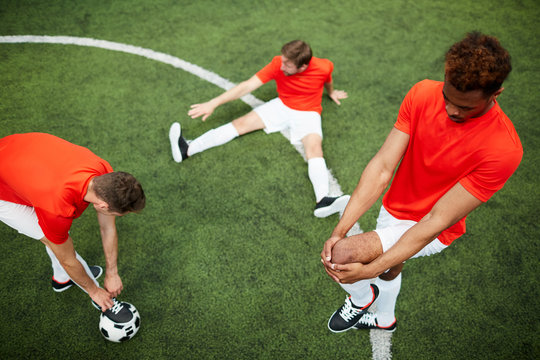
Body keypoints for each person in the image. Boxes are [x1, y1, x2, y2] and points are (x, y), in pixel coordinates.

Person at [321, 32, 522, 333]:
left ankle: (365, 296)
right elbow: (382, 167)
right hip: (396, 204)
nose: (452, 111)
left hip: (435, 227)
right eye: (448, 99)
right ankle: (385, 319)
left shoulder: (504, 150)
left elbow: (437, 219)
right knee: (390, 265)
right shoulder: (423, 93)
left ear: (497, 93)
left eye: (466, 108)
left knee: (343, 256)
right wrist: (340, 229)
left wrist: (367, 272)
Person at [169, 40, 350, 217]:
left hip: (308, 112)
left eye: (288, 64)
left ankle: (323, 200)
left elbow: (327, 79)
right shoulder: (277, 63)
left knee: (314, 147)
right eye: (283, 59)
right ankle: (187, 149)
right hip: (282, 106)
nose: (282, 66)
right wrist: (213, 103)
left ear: (302, 67)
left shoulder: (324, 66)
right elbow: (247, 85)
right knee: (240, 124)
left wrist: (331, 92)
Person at [0, 132, 146, 312]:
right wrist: (94, 291)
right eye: (119, 214)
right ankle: (79, 282)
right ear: (102, 205)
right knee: (55, 241)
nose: (117, 217)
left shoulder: (105, 174)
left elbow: (107, 228)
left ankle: (62, 279)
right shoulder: (56, 209)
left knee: (60, 239)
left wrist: (112, 272)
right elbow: (67, 259)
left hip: (16, 151)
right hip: (5, 184)